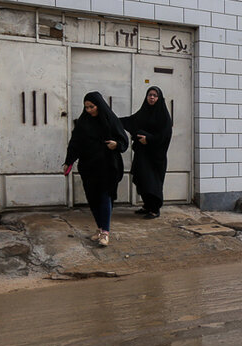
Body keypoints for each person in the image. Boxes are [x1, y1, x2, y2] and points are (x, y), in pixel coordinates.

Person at [62, 91, 128, 247]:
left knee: (104, 196)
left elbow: (123, 140)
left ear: (99, 105)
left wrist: (116, 145)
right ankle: (99, 229)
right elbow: (75, 143)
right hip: (88, 166)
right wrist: (68, 161)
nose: (89, 110)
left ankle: (105, 232)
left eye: (92, 107)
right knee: (92, 198)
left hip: (107, 166)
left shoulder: (110, 120)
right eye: (86, 107)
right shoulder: (83, 122)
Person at [120, 85, 173, 219]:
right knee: (142, 179)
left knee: (152, 182)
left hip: (156, 157)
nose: (152, 97)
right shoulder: (143, 112)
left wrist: (149, 139)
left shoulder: (163, 116)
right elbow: (131, 121)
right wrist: (113, 119)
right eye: (150, 95)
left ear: (159, 98)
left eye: (155, 95)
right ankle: (147, 206)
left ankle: (155, 209)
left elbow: (165, 135)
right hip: (143, 154)